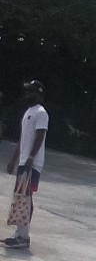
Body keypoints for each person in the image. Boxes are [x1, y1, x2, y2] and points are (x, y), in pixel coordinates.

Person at [6, 86, 50, 251]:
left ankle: (23, 236)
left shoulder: (41, 112)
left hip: (32, 163)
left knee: (27, 197)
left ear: (38, 94)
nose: (27, 94)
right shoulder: (28, 112)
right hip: (23, 161)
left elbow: (40, 135)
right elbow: (23, 138)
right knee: (20, 197)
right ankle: (19, 233)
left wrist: (31, 157)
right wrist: (13, 159)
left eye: (31, 91)